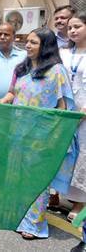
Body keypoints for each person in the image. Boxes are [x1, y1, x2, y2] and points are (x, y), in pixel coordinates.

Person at [0, 28, 75, 240]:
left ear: (46, 46)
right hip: (17, 132)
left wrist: (56, 134)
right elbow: (13, 92)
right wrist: (4, 100)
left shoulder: (57, 71)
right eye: (27, 42)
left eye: (33, 42)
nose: (28, 46)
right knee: (15, 177)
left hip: (41, 136)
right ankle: (17, 217)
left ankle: (34, 224)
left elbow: (63, 105)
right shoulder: (21, 68)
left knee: (36, 181)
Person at [61, 13, 86, 221]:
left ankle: (80, 203)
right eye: (70, 28)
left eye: (77, 26)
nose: (72, 31)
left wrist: (82, 113)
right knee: (64, 154)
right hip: (65, 113)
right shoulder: (64, 53)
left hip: (84, 117)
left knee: (82, 157)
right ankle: (60, 194)